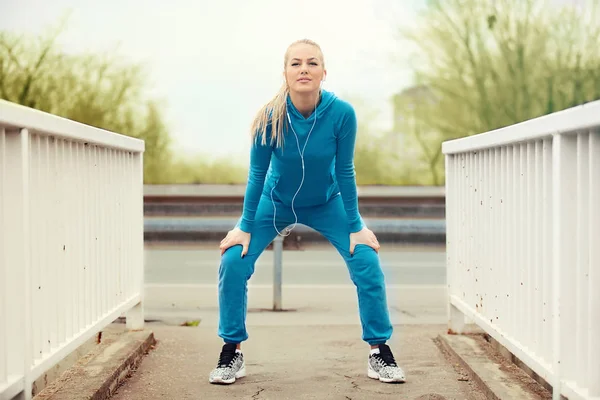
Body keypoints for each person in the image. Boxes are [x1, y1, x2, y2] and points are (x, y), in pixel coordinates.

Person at [208, 38, 405, 385]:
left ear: (323, 72)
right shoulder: (269, 117)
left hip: (328, 202)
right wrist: (244, 226)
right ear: (285, 72)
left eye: (312, 63)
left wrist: (356, 226)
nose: (304, 69)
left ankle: (379, 351)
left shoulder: (342, 114)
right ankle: (231, 350)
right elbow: (256, 174)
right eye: (296, 63)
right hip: (276, 201)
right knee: (233, 261)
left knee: (367, 261)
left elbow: (345, 171)